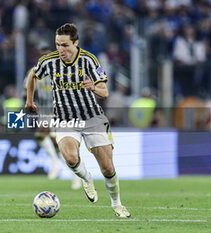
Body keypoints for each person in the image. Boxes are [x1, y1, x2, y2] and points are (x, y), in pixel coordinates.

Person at [25, 23, 130, 218]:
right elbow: (33, 74)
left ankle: (117, 204)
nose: (60, 49)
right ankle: (86, 178)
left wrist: (92, 87)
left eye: (65, 45)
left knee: (107, 168)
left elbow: (104, 92)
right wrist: (29, 101)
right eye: (57, 44)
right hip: (64, 118)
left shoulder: (89, 60)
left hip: (92, 117)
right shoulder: (49, 61)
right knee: (71, 158)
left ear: (76, 43)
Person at [24, 41, 81, 189]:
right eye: (42, 52)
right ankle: (74, 173)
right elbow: (28, 87)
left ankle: (56, 162)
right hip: (45, 110)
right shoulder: (35, 70)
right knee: (55, 144)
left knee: (42, 134)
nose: (44, 54)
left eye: (47, 52)